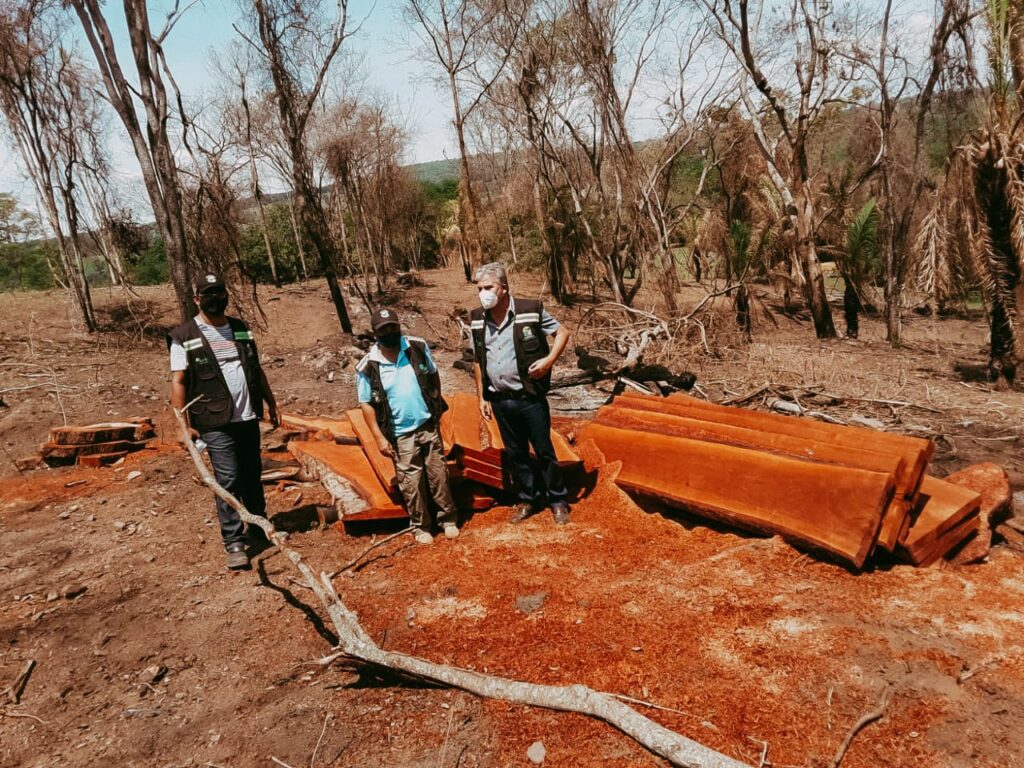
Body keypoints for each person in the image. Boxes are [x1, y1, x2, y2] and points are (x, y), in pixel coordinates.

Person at [168, 273, 280, 569]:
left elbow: (256, 368)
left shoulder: (240, 329)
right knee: (228, 478)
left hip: (247, 416)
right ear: (197, 299)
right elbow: (179, 380)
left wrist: (270, 402)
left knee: (252, 473)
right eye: (209, 295)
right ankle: (233, 541)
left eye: (220, 293)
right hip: (213, 419)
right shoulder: (183, 336)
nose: (216, 299)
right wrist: (183, 424)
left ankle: (258, 525)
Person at [470, 262, 573, 524]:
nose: (483, 293)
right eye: (480, 289)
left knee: (544, 451)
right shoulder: (477, 319)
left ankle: (558, 500)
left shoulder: (530, 310)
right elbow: (478, 360)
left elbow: (562, 332)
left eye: (488, 287)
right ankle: (529, 498)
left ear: (503, 288)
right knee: (516, 453)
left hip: (529, 397)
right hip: (500, 400)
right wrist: (482, 396)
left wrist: (549, 361)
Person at [356, 307, 457, 545]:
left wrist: (435, 406)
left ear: (399, 326)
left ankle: (448, 519)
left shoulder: (416, 347)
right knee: (411, 482)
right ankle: (421, 526)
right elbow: (366, 404)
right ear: (375, 333)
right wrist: (379, 438)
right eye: (383, 330)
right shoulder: (368, 365)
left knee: (438, 474)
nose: (389, 332)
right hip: (399, 433)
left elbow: (433, 374)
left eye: (393, 326)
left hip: (427, 424)